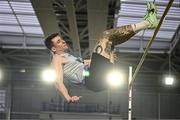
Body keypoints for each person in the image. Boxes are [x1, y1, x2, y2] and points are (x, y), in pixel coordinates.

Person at [44, 1, 158, 103]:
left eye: (61, 39)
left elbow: (85, 65)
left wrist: (108, 58)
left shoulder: (68, 58)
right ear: (53, 49)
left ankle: (146, 24)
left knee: (110, 41)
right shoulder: (56, 59)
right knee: (106, 36)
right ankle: (147, 23)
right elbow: (58, 82)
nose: (63, 41)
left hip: (97, 79)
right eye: (58, 42)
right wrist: (68, 98)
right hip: (93, 79)